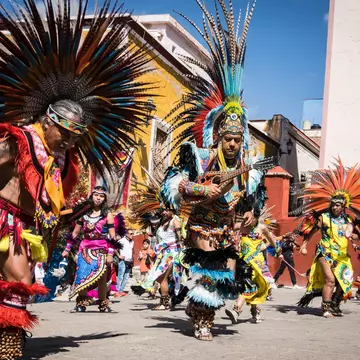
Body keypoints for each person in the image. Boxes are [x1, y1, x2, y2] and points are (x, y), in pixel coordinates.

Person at [0, 1, 156, 357]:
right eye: (67, 133)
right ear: (50, 120)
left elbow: (47, 203)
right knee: (19, 284)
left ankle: (8, 345)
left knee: (18, 284)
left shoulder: (59, 161)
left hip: (21, 227)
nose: (71, 141)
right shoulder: (19, 140)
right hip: (2, 218)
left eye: (77, 136)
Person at [159, 0, 272, 341]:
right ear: (219, 134)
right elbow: (174, 181)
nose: (234, 144)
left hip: (227, 228)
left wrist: (251, 217)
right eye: (229, 138)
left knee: (221, 278)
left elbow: (254, 201)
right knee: (208, 272)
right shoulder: (198, 155)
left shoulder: (249, 170)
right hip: (201, 222)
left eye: (239, 139)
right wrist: (200, 190)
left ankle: (198, 309)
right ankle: (204, 320)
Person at [297, 159, 360, 317]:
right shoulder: (324, 218)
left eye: (338, 205)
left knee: (344, 280)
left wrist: (353, 237)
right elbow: (311, 231)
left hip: (342, 255)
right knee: (330, 279)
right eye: (333, 204)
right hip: (325, 252)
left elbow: (352, 236)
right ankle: (325, 308)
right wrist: (304, 245)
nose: (335, 207)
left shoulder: (348, 221)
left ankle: (335, 303)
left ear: (344, 206)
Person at [62, 186, 119, 312]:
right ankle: (81, 303)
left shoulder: (107, 214)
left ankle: (103, 303)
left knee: (101, 277)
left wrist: (110, 254)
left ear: (104, 199)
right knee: (82, 274)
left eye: (101, 196)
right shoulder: (83, 214)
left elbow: (112, 235)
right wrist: (67, 248)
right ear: (91, 196)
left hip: (101, 249)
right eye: (96, 195)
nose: (98, 198)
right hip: (85, 248)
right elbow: (75, 233)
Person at [225, 208, 280, 324]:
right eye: (245, 218)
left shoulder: (262, 228)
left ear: (256, 217)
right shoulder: (240, 225)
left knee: (249, 284)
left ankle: (236, 309)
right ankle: (255, 312)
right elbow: (227, 229)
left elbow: (272, 240)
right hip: (244, 262)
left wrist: (278, 251)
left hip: (257, 262)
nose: (247, 220)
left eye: (251, 218)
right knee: (250, 285)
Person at [132, 207, 186, 310]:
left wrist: (180, 246)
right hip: (163, 254)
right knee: (159, 278)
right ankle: (174, 294)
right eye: (163, 210)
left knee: (162, 278)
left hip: (172, 255)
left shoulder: (175, 220)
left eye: (167, 210)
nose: (164, 212)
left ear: (173, 210)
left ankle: (164, 303)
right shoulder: (163, 221)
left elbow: (180, 238)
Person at [114, 230, 135, 297]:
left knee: (126, 277)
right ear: (127, 234)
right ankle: (117, 291)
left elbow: (131, 251)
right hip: (122, 261)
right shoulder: (122, 241)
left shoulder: (132, 242)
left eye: (133, 234)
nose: (132, 235)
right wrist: (119, 255)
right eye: (131, 233)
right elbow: (114, 247)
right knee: (120, 276)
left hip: (129, 261)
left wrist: (132, 259)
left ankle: (121, 290)